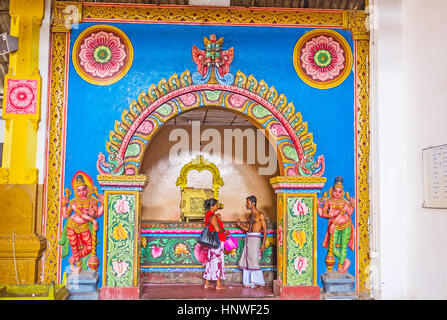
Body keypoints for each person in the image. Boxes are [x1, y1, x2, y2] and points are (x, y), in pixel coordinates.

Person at [59, 171, 104, 274]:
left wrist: (102, 204)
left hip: (84, 227)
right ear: (75, 191)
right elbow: (66, 215)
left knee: (89, 246)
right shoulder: (74, 202)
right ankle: (78, 266)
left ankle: (74, 259)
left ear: (87, 189)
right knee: (74, 247)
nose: (81, 192)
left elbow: (97, 214)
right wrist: (63, 205)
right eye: (79, 190)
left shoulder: (92, 200)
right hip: (72, 226)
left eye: (83, 189)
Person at [317, 176, 355, 273]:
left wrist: (352, 204)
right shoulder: (328, 201)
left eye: (339, 191)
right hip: (335, 226)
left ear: (342, 192)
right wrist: (318, 205)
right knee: (332, 247)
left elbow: (348, 212)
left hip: (346, 225)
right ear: (332, 191)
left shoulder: (344, 201)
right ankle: (345, 260)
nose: (337, 193)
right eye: (335, 191)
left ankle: (340, 266)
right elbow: (322, 214)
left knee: (343, 246)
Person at [236, 195, 267, 288]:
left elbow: (265, 230)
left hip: (255, 239)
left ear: (253, 203)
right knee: (246, 260)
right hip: (248, 238)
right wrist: (240, 225)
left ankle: (259, 282)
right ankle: (248, 282)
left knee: (254, 260)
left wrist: (263, 244)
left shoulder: (260, 214)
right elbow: (247, 229)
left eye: (248, 202)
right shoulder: (249, 216)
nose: (246, 204)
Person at [203, 198, 229, 290]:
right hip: (217, 241)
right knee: (218, 262)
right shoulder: (212, 216)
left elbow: (211, 228)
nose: (217, 206)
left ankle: (207, 283)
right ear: (212, 206)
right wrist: (224, 231)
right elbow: (217, 229)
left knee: (210, 262)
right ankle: (218, 285)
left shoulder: (207, 215)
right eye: (216, 205)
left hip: (211, 242)